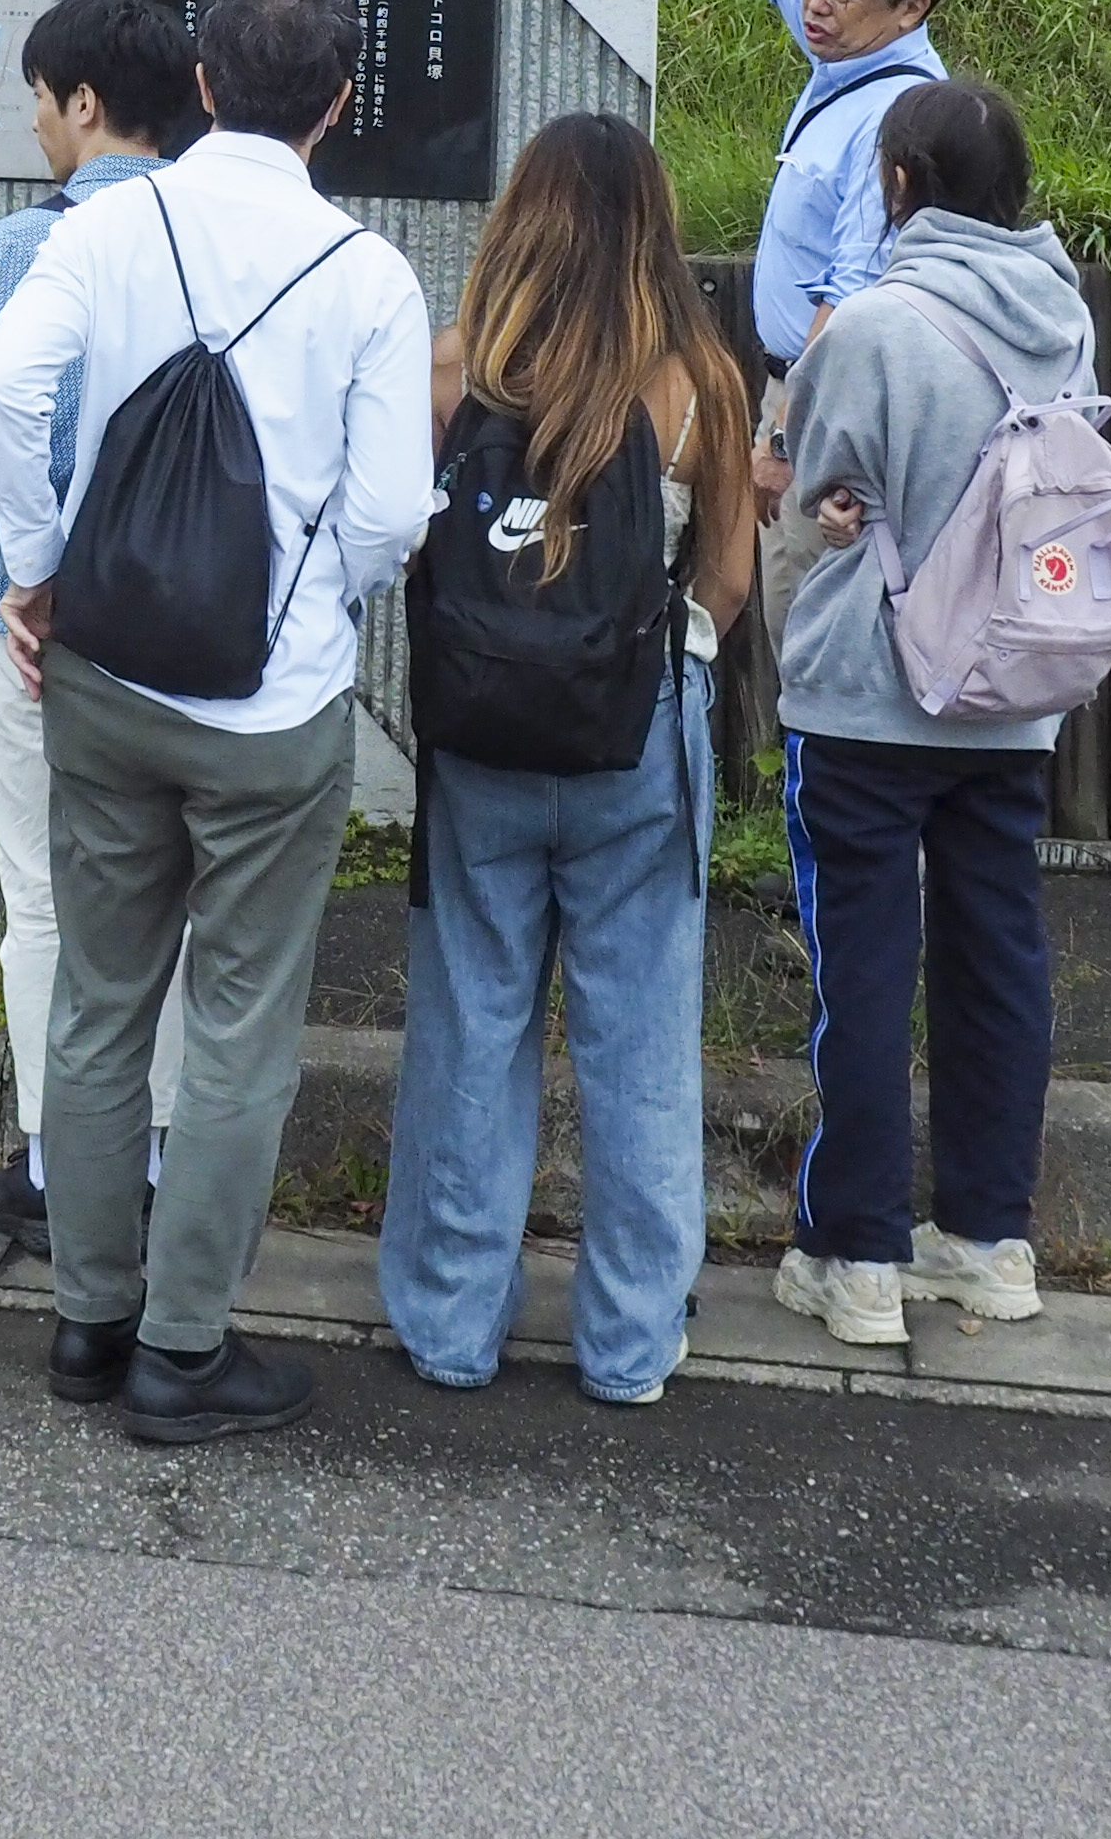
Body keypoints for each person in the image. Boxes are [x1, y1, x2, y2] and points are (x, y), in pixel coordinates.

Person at [0, 0, 433, 1447]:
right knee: (237, 1030)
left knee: (102, 1007)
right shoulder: (368, 275)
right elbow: (391, 518)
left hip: (101, 680)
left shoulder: (109, 232)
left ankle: (88, 1325)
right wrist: (305, 611)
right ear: (341, 105)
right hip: (272, 711)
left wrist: (36, 572)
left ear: (211, 87)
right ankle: (183, 1351)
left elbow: (3, 393)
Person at [377, 113, 757, 1405]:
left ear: (519, 222)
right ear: (650, 226)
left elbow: (399, 550)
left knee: (470, 1028)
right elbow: (722, 584)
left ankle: (447, 1325)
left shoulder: (447, 376)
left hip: (478, 749)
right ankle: (631, 1344)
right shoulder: (695, 380)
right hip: (636, 746)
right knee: (640, 1042)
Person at [766, 78, 1082, 1351]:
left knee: (865, 965)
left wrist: (816, 493)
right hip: (1011, 693)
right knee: (998, 955)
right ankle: (991, 1239)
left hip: (871, 697)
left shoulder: (878, 322)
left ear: (899, 187)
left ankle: (857, 1256)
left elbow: (816, 475)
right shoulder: (1065, 316)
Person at [0, 0, 199, 1257]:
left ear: (86, 105)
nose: (38, 127)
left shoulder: (14, 252)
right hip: (197, 641)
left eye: (42, 103)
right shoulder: (225, 243)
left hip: (37, 628)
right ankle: (152, 1158)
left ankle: (57, 1161)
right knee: (176, 901)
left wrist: (38, 571)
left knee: (45, 899)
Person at [667, 0, 959, 644]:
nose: (814, 4)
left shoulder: (894, 118)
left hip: (825, 406)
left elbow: (854, 293)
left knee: (815, 636)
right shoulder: (851, 47)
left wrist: (784, 441)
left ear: (911, 8)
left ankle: (818, 791)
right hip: (800, 395)